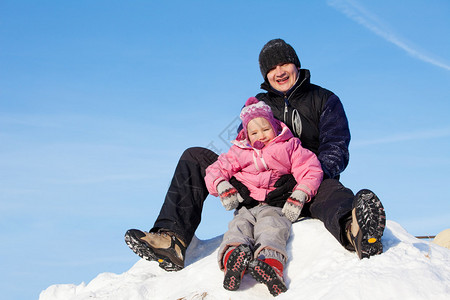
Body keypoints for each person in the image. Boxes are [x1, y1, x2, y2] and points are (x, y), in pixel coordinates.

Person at [124, 38, 386, 272]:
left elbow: (336, 147)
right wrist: (235, 182)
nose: (279, 72)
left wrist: (305, 180)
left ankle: (355, 231)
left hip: (303, 187)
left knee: (331, 187)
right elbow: (241, 147)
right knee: (194, 156)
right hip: (255, 187)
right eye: (272, 68)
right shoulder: (256, 106)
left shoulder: (324, 99)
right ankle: (172, 240)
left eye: (284, 64)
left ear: (296, 65)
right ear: (265, 75)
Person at [204, 97, 323, 296]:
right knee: (238, 227)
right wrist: (222, 185)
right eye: (254, 132)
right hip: (246, 205)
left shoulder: (289, 146)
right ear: (246, 135)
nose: (261, 135)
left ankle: (270, 264)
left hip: (275, 204)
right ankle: (234, 258)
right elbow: (215, 170)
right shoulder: (239, 151)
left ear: (275, 126)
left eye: (266, 129)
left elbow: (310, 168)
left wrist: (301, 192)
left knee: (272, 227)